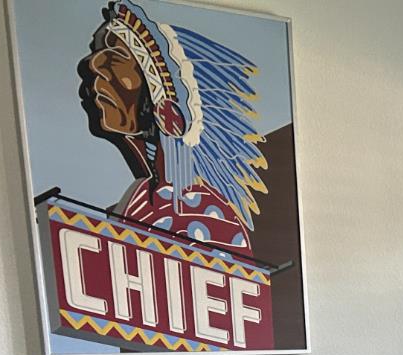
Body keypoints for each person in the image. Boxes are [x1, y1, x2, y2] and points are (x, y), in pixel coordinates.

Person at [77, 1, 267, 254]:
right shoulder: (142, 200)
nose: (94, 65)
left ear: (169, 113)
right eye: (99, 51)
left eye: (117, 57)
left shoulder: (208, 218)